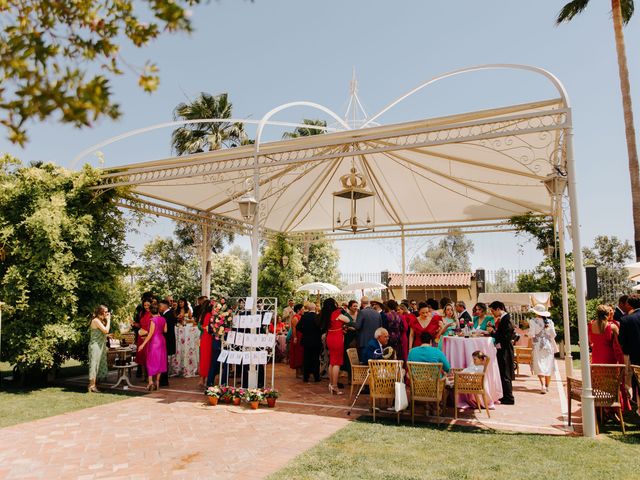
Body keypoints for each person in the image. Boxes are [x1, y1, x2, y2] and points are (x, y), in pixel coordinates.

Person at [592, 304, 631, 411]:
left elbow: (591, 341)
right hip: (609, 356)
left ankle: (601, 407)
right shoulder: (612, 326)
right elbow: (619, 342)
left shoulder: (591, 325)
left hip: (596, 355)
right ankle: (612, 407)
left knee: (599, 380)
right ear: (608, 314)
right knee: (613, 381)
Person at [322, 297, 351, 395]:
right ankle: (334, 386)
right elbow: (347, 320)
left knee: (332, 362)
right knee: (337, 363)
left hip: (330, 336)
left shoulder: (326, 314)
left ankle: (331, 383)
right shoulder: (337, 314)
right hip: (337, 338)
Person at [488, 300, 515, 405]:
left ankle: (508, 398)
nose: (492, 313)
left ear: (498, 309)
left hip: (505, 350)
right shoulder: (504, 318)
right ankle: (505, 395)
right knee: (503, 371)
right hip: (503, 348)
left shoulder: (506, 319)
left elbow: (506, 336)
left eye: (492, 311)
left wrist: (493, 333)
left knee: (505, 373)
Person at [528, 304, 557, 394]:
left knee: (539, 364)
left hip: (537, 345)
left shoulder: (532, 321)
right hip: (548, 345)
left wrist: (528, 335)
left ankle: (542, 385)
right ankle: (547, 386)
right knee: (548, 365)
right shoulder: (550, 322)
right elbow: (553, 335)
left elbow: (532, 334)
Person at [138, 304, 167, 391]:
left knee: (150, 361)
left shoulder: (152, 320)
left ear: (150, 311)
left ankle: (150, 382)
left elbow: (150, 334)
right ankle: (157, 382)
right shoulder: (163, 319)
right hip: (161, 340)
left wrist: (143, 344)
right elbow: (165, 330)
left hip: (154, 341)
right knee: (160, 361)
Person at [620, 294, 640, 409]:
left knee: (637, 381)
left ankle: (637, 405)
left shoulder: (626, 319)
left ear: (629, 304)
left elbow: (622, 340)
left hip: (635, 356)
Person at [297, 302, 322, 382]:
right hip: (316, 340)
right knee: (316, 359)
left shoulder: (304, 316)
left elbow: (298, 327)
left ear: (308, 308)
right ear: (315, 308)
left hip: (306, 340)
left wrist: (305, 332)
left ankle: (306, 377)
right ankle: (316, 377)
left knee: (306, 358)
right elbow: (321, 328)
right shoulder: (318, 317)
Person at [88, 305, 111, 393]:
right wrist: (109, 320)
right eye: (105, 312)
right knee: (94, 365)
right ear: (100, 312)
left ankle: (93, 385)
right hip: (95, 346)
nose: (107, 313)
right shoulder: (96, 320)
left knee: (98, 365)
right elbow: (106, 330)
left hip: (100, 345)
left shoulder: (100, 321)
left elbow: (102, 333)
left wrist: (107, 336)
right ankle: (92, 386)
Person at [159, 298, 177, 387]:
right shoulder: (167, 314)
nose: (159, 307)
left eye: (160, 305)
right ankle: (163, 379)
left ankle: (164, 380)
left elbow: (166, 330)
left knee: (164, 360)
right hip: (167, 340)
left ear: (164, 306)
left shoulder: (168, 315)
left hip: (167, 340)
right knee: (164, 360)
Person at [135, 299, 152, 380]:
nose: (146, 307)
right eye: (145, 305)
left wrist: (148, 333)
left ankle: (149, 376)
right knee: (141, 355)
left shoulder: (153, 313)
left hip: (148, 336)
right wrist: (134, 324)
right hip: (140, 336)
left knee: (148, 356)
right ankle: (143, 375)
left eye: (148, 305)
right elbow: (140, 325)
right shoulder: (141, 313)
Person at [341, 300, 359, 378]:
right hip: (349, 338)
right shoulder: (346, 315)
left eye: (356, 306)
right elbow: (342, 326)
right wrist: (347, 327)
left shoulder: (359, 314)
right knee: (349, 357)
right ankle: (349, 375)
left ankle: (356, 374)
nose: (356, 307)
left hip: (357, 337)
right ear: (350, 307)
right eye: (354, 306)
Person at [197, 300, 213, 388]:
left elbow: (199, 326)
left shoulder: (202, 315)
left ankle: (202, 379)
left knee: (203, 357)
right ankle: (205, 379)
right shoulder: (209, 315)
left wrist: (203, 328)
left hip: (203, 337)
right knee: (207, 358)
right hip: (208, 338)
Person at [289, 303, 304, 376]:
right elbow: (294, 328)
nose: (303, 310)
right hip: (297, 336)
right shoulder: (295, 318)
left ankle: (301, 371)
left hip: (301, 336)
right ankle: (298, 373)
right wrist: (295, 337)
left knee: (301, 354)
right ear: (298, 310)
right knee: (297, 354)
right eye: (302, 309)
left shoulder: (301, 316)